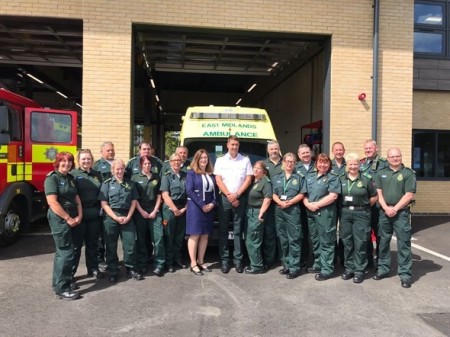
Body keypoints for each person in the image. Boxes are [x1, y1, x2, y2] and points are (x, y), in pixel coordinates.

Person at [373, 148, 416, 288]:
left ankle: (405, 274)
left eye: (397, 156)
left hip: (401, 214)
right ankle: (383, 269)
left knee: (403, 243)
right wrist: (386, 208)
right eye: (392, 156)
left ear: (401, 157)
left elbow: (409, 195)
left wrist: (395, 209)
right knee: (383, 242)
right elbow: (378, 192)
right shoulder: (381, 173)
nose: (395, 159)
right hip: (384, 213)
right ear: (387, 158)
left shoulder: (408, 173)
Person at [44, 151, 82, 300]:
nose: (67, 164)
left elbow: (77, 198)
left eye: (69, 161)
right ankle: (63, 288)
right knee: (66, 252)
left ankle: (58, 283)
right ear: (58, 163)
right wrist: (68, 218)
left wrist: (80, 215)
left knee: (63, 252)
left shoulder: (70, 178)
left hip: (72, 216)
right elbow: (52, 202)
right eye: (64, 161)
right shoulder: (52, 178)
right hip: (60, 218)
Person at [98, 159, 143, 283]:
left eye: (122, 168)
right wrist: (115, 217)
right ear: (112, 171)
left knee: (130, 245)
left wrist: (128, 216)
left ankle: (131, 268)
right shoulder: (106, 183)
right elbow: (104, 203)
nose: (119, 171)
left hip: (127, 215)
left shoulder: (130, 184)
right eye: (117, 169)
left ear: (124, 169)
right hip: (111, 217)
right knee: (111, 246)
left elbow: (134, 201)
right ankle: (113, 271)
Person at [214, 135, 253, 274]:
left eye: (236, 144)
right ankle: (224, 261)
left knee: (238, 231)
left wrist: (236, 195)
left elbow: (248, 179)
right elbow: (218, 180)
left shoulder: (245, 160)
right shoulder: (220, 160)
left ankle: (238, 261)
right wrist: (229, 195)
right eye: (232, 144)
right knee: (223, 230)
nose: (234, 147)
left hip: (240, 198)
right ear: (227, 145)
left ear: (239, 145)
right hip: (225, 198)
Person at [339, 153, 377, 284]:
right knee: (347, 242)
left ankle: (359, 270)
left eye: (355, 164)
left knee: (360, 242)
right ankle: (349, 268)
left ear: (359, 165)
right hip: (345, 213)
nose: (353, 166)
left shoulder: (366, 179)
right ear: (347, 165)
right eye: (350, 164)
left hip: (361, 213)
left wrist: (364, 206)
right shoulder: (341, 179)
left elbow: (374, 196)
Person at [303, 153, 340, 281]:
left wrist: (317, 205)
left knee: (326, 241)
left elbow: (333, 196)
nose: (322, 165)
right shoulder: (310, 176)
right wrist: (307, 203)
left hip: (325, 214)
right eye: (320, 162)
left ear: (329, 164)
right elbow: (304, 194)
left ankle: (327, 269)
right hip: (311, 212)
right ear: (316, 163)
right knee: (315, 240)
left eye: (325, 162)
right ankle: (318, 264)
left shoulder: (332, 177)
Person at [71, 149, 104, 280]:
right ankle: (71, 273)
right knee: (76, 246)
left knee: (93, 244)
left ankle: (93, 269)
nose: (86, 161)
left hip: (94, 214)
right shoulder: (73, 174)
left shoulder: (98, 174)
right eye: (83, 159)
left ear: (92, 160)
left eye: (88, 159)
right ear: (78, 160)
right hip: (79, 214)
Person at [185, 149, 218, 276]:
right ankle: (193, 263)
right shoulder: (191, 173)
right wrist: (203, 205)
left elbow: (216, 193)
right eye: (201, 158)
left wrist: (213, 204)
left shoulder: (211, 174)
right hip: (196, 208)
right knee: (194, 235)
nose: (204, 160)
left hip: (208, 209)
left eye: (206, 158)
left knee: (205, 235)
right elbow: (189, 191)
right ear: (197, 159)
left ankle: (201, 260)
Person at [272, 153, 305, 279]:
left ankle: (294, 267)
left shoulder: (299, 177)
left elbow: (302, 194)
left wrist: (290, 202)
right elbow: (273, 194)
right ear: (283, 163)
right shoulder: (277, 177)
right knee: (283, 239)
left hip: (293, 210)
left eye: (292, 162)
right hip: (280, 210)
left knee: (294, 239)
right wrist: (280, 202)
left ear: (295, 163)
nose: (289, 163)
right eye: (287, 161)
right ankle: (285, 264)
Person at [131, 155, 163, 275]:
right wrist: (141, 211)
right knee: (142, 239)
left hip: (154, 209)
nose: (147, 165)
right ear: (141, 165)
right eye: (145, 164)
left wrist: (155, 211)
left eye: (149, 164)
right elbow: (135, 198)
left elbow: (160, 196)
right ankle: (143, 263)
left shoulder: (157, 177)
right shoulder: (135, 178)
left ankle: (159, 263)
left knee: (158, 238)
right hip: (140, 211)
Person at [360, 139, 388, 269]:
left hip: (378, 205)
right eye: (366, 148)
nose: (368, 150)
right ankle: (369, 261)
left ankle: (381, 263)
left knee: (380, 235)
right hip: (365, 205)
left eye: (370, 148)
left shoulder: (384, 164)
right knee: (365, 235)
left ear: (376, 149)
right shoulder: (361, 164)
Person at [161, 153, 188, 273]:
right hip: (170, 210)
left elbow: (190, 193)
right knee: (169, 237)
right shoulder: (166, 176)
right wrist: (175, 209)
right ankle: (169, 262)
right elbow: (165, 195)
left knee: (179, 237)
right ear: (170, 162)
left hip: (183, 208)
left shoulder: (185, 176)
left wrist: (184, 208)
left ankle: (178, 259)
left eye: (178, 160)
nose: (176, 162)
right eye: (174, 160)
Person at [244, 160, 273, 274]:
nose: (255, 170)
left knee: (253, 240)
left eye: (258, 168)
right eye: (254, 167)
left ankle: (257, 266)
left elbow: (268, 198)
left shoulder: (265, 182)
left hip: (257, 212)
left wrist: (261, 213)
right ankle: (254, 262)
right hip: (249, 211)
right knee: (249, 239)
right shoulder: (252, 181)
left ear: (264, 172)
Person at [93, 141, 115, 271]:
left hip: (116, 204)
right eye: (108, 150)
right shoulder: (97, 166)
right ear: (102, 152)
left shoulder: (117, 163)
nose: (110, 152)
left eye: (112, 150)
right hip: (102, 203)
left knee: (111, 235)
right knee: (101, 234)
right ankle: (100, 259)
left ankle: (112, 258)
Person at [262, 140, 282, 268]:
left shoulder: (285, 162)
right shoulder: (264, 164)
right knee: (269, 233)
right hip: (269, 203)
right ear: (268, 151)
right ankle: (269, 260)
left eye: (276, 149)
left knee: (282, 233)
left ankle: (283, 259)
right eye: (272, 149)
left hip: (282, 203)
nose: (274, 151)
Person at [295, 144, 315, 268]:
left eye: (307, 152)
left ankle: (313, 259)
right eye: (303, 153)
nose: (306, 155)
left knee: (313, 234)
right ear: (299, 155)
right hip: (300, 206)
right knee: (301, 233)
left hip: (315, 204)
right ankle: (302, 258)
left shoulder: (318, 165)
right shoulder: (295, 167)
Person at [331, 141, 346, 266]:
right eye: (336, 150)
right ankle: (333, 256)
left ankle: (343, 256)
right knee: (331, 230)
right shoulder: (328, 165)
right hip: (331, 203)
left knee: (344, 231)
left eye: (340, 150)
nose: (338, 152)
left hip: (345, 203)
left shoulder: (349, 164)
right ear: (333, 151)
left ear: (344, 151)